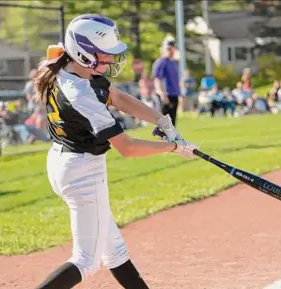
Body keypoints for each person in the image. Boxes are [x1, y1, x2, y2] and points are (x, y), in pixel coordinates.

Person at [33, 14, 199, 289]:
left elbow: (119, 98)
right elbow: (127, 148)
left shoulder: (72, 66)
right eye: (104, 54)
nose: (110, 60)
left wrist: (161, 120)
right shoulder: (80, 93)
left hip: (67, 162)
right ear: (83, 54)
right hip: (81, 171)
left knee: (115, 251)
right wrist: (173, 147)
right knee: (86, 261)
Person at [153, 39, 181, 127]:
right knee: (165, 125)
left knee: (172, 125)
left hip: (174, 95)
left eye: (172, 48)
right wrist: (161, 93)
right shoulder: (161, 62)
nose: (170, 51)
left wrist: (180, 95)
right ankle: (164, 141)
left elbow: (176, 81)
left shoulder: (173, 63)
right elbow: (157, 79)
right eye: (168, 48)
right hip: (166, 95)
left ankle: (171, 141)